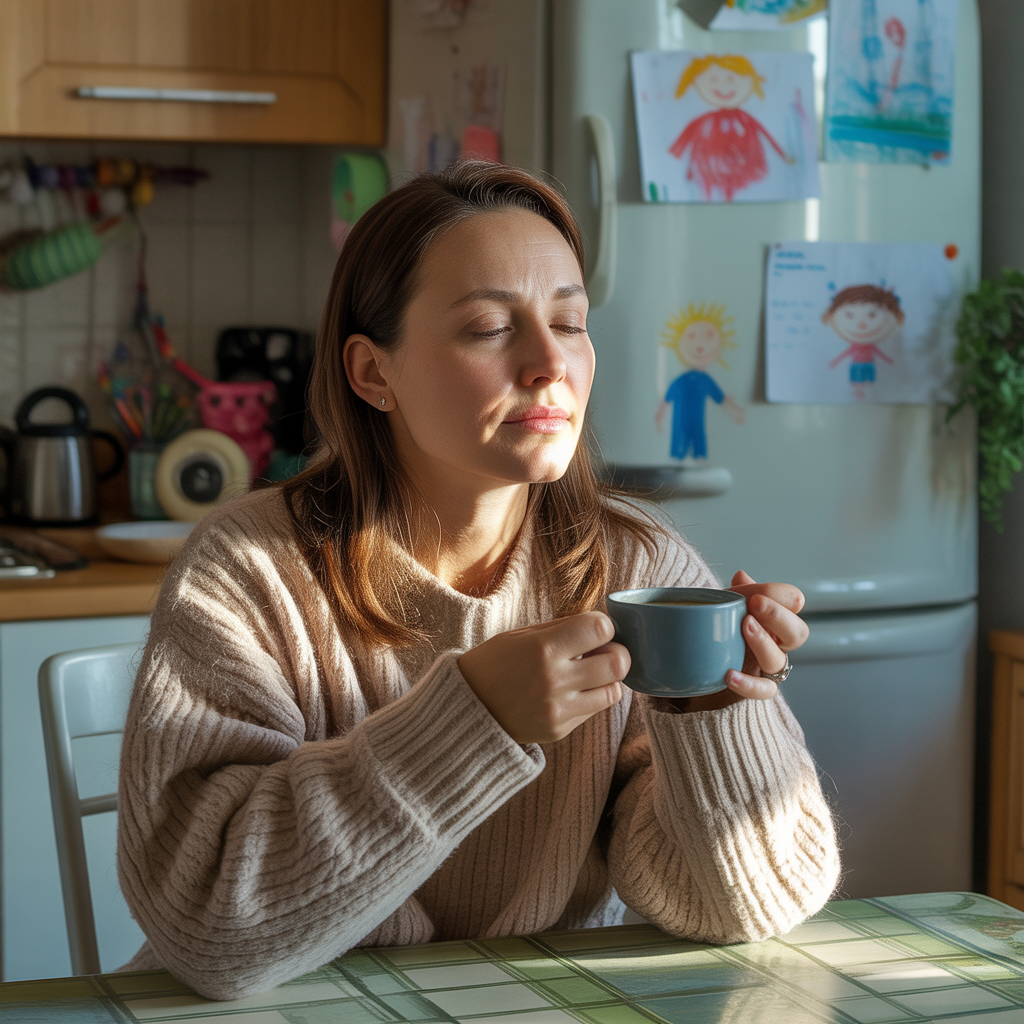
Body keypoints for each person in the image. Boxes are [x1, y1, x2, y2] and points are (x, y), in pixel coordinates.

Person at [116, 162, 840, 1001]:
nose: (549, 364)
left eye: (569, 321)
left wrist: (715, 707)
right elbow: (208, 930)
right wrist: (474, 723)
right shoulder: (248, 572)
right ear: (371, 373)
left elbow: (745, 905)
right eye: (492, 327)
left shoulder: (638, 564)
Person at [668, 54, 794, 201]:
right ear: (695, 83)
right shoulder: (704, 121)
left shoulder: (745, 119)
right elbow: (685, 137)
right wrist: (673, 158)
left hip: (743, 166)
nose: (723, 87)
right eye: (713, 80)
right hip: (710, 168)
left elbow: (767, 135)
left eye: (731, 79)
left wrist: (784, 156)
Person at [824, 284, 902, 401]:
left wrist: (888, 360)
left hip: (868, 364)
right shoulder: (856, 346)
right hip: (857, 365)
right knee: (857, 380)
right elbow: (844, 354)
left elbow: (880, 354)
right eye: (850, 315)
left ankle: (865, 392)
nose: (861, 324)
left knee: (869, 380)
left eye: (872, 315)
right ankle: (859, 392)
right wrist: (834, 362)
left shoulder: (870, 345)